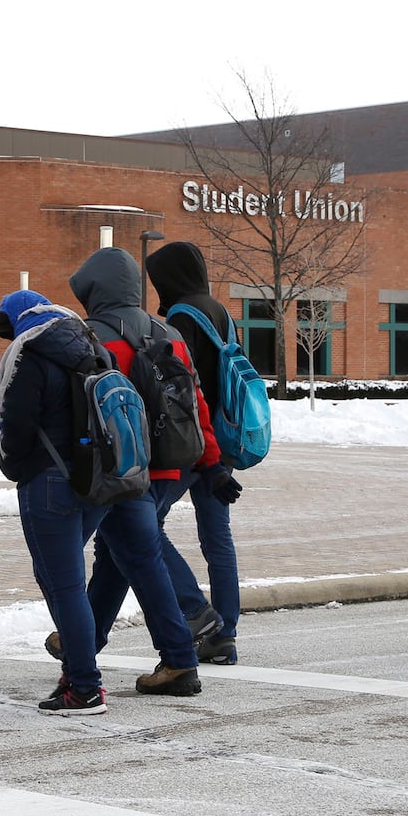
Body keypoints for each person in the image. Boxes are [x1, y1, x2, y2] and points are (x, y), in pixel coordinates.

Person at [0, 288, 207, 715]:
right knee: (134, 564)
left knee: (63, 584)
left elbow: (16, 423)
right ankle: (171, 661)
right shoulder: (91, 346)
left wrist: (16, 466)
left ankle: (84, 687)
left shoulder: (29, 354)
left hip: (50, 481)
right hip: (105, 480)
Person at [66, 247, 238, 664]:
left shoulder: (88, 337)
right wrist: (211, 462)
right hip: (171, 463)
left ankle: (195, 619)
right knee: (120, 548)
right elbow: (196, 405)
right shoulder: (169, 334)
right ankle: (88, 637)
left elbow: (77, 411)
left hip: (119, 470)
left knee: (142, 546)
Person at [146, 240, 247, 665]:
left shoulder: (183, 315)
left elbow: (179, 381)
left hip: (192, 442)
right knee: (217, 539)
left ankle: (196, 611)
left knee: (144, 524)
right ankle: (225, 634)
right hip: (221, 439)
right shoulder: (221, 312)